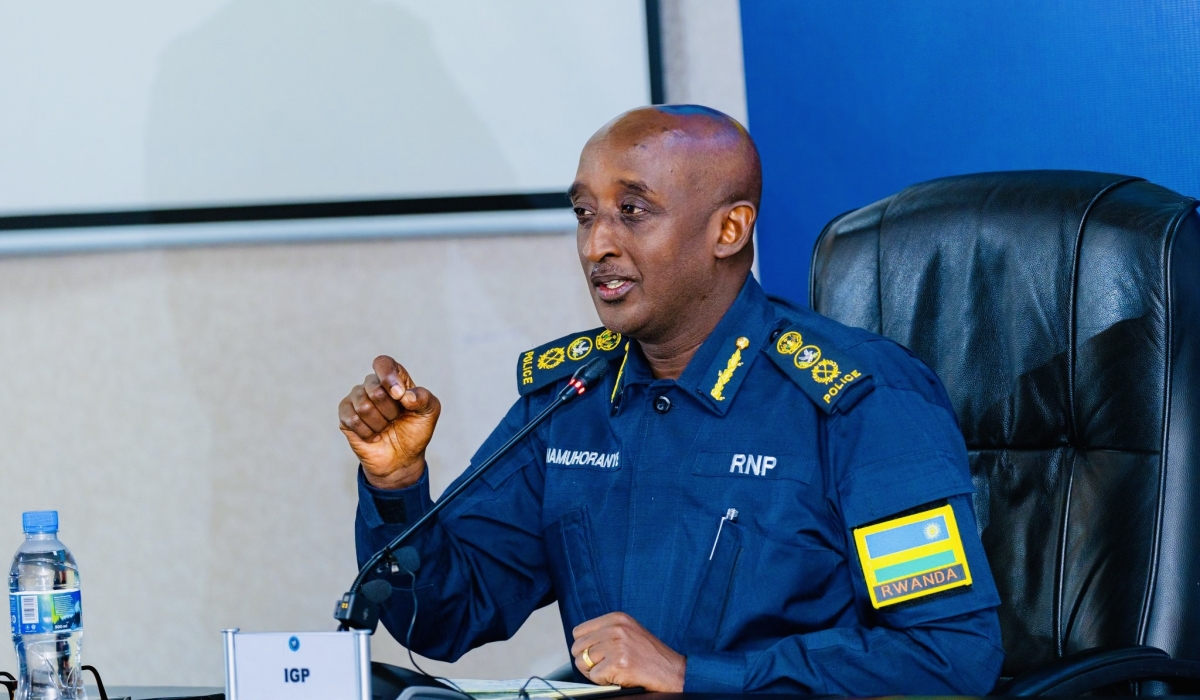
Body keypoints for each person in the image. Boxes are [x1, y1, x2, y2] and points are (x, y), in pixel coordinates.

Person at [339, 105, 1004, 695]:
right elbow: (447, 618)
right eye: (585, 214)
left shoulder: (860, 400)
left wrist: (694, 677)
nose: (597, 245)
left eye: (632, 211)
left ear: (730, 230)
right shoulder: (571, 399)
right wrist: (397, 484)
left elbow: (946, 655)